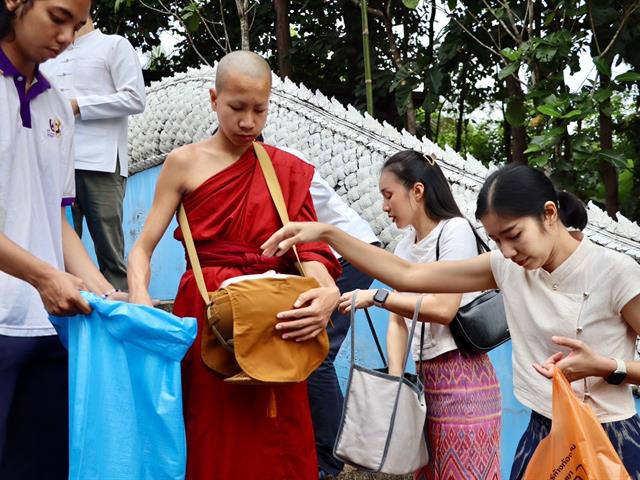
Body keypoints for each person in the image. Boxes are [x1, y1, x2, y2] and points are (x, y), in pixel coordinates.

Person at [262, 162, 640, 479]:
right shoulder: (506, 267)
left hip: (609, 439)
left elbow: (434, 302)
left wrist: (608, 366)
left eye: (514, 235)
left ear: (549, 214)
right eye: (496, 240)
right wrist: (329, 233)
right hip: (543, 433)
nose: (507, 252)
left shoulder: (614, 272)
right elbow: (407, 277)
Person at [127, 50, 341, 480]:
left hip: (271, 316)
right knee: (211, 432)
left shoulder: (283, 170)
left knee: (277, 436)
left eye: (259, 110)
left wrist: (327, 293)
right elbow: (142, 249)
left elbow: (310, 251)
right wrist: (140, 298)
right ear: (214, 99)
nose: (248, 122)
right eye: (236, 108)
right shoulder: (184, 162)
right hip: (209, 312)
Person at [0, 0, 125, 478]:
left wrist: (100, 287)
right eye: (57, 17)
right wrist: (44, 276)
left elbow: (55, 216)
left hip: (48, 328)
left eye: (76, 24)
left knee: (43, 465)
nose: (67, 37)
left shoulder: (57, 105)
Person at [336, 150, 501, 480]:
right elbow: (398, 321)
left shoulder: (454, 231)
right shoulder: (403, 247)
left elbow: (443, 309)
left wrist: (378, 297)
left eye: (388, 195)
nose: (385, 206)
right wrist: (395, 379)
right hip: (423, 382)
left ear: (418, 190)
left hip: (463, 378)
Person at [41, 14, 146, 291]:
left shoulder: (113, 45)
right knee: (55, 248)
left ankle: (117, 315)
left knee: (110, 252)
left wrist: (79, 105)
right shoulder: (47, 52)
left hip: (102, 162)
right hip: (56, 162)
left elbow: (135, 98)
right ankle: (62, 316)